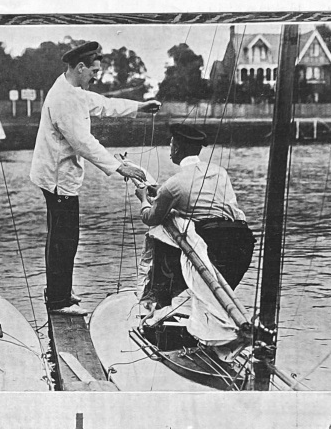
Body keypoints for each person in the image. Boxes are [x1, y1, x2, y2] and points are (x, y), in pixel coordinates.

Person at [30, 41, 161, 315]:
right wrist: (118, 167)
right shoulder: (64, 99)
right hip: (58, 179)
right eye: (94, 71)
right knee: (65, 238)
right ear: (80, 67)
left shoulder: (71, 89)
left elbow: (103, 104)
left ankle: (59, 289)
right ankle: (58, 300)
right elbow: (83, 143)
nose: (96, 76)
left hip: (53, 176)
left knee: (60, 235)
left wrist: (139, 107)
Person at [134, 124, 255, 309]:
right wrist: (161, 193)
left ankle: (158, 301)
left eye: (171, 146)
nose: (170, 151)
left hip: (211, 242)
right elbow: (214, 201)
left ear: (177, 148)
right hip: (241, 240)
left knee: (161, 233)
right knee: (221, 299)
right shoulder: (219, 172)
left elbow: (150, 218)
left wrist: (143, 198)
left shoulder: (173, 184)